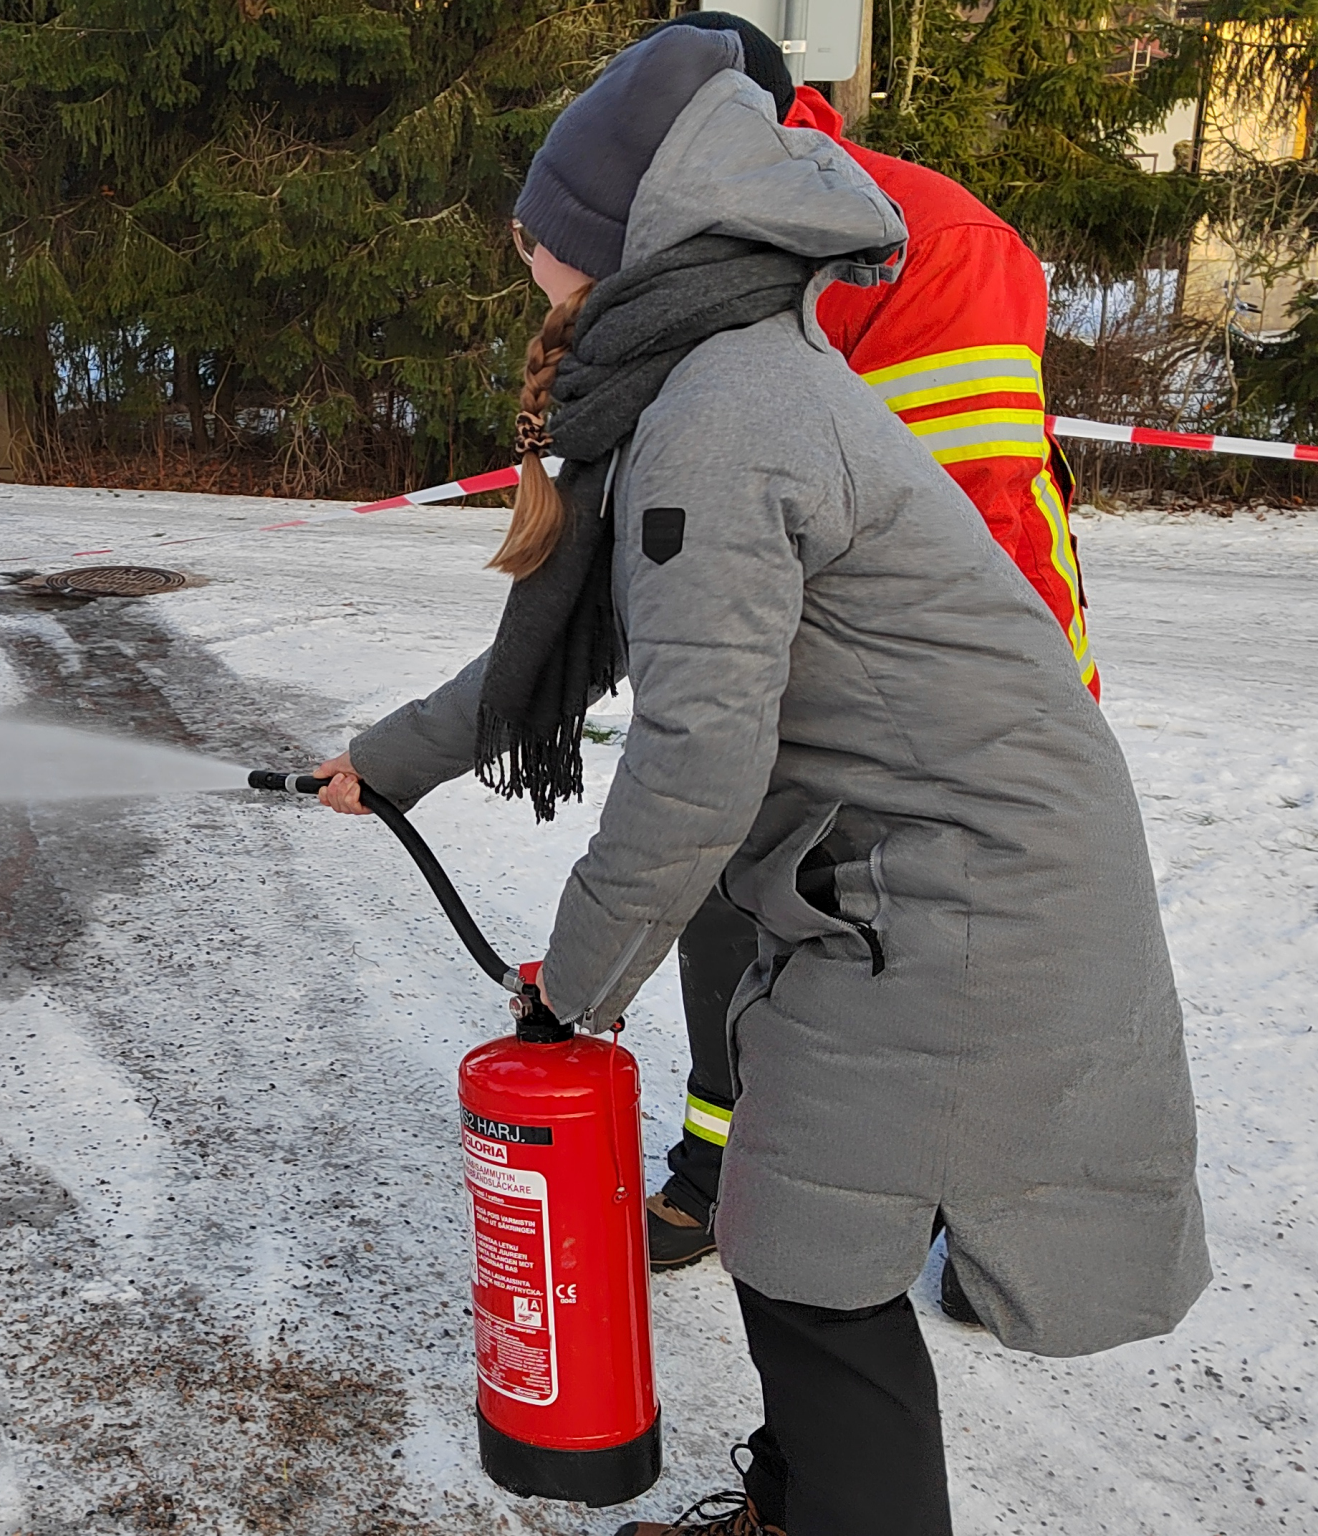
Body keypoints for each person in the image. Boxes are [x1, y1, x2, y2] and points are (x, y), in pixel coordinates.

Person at [313, 25, 1208, 1536]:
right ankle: (805, 1506)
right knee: (795, 1238)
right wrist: (386, 764)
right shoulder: (720, 380)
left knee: (808, 1259)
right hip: (900, 875)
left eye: (544, 235)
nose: (528, 265)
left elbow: (696, 758)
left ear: (625, 230)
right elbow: (584, 653)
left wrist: (578, 984)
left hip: (955, 890)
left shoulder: (718, 420)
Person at [637, 14, 1096, 1306]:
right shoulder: (706, 243)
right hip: (796, 664)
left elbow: (985, 524)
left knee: (939, 966)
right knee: (735, 911)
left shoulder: (923, 243)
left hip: (965, 698)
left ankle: (1007, 1226)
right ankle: (723, 1171)